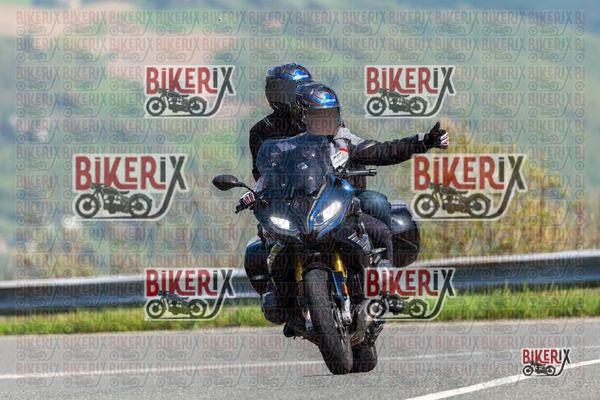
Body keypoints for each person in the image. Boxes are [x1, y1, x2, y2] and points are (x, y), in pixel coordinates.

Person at [294, 81, 448, 267]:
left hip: (341, 206)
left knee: (378, 214)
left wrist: (424, 141)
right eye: (319, 116)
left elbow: (384, 151)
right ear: (302, 118)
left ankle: (382, 273)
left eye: (330, 115)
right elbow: (270, 171)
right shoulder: (288, 147)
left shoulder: (344, 141)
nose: (325, 121)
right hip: (301, 209)